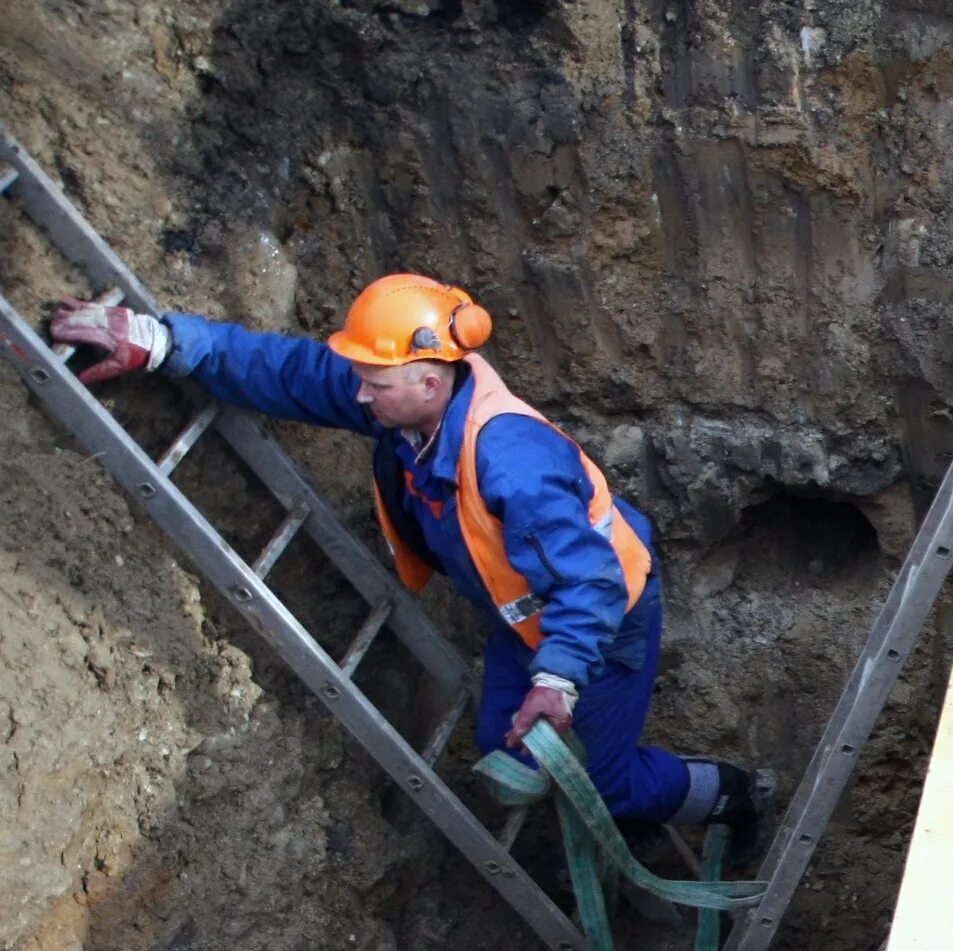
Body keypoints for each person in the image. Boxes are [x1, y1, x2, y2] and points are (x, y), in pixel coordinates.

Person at [48, 275, 774, 861]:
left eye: (374, 382)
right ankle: (622, 790)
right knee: (507, 751)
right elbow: (292, 370)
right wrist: (161, 340)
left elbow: (590, 582)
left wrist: (556, 680)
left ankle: (727, 793)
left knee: (602, 785)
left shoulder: (509, 459)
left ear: (429, 380)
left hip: (604, 620)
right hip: (524, 614)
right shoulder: (408, 401)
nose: (358, 393)